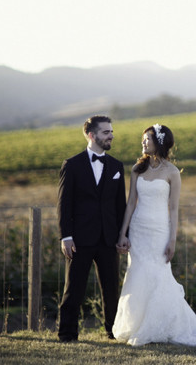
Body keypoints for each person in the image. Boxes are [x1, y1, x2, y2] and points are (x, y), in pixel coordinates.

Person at [112, 123, 196, 346]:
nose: (143, 143)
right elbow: (130, 203)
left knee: (159, 275)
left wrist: (172, 239)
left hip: (160, 231)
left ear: (159, 143)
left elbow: (174, 208)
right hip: (139, 230)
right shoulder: (137, 169)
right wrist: (123, 234)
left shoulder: (172, 172)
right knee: (137, 273)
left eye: (147, 139)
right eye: (143, 139)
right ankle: (138, 325)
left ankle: (162, 325)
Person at [57, 115, 126, 342]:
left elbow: (120, 206)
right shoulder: (72, 165)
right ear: (91, 135)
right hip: (80, 238)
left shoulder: (116, 166)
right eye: (106, 132)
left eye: (111, 131)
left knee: (111, 289)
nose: (111, 136)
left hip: (108, 238)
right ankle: (67, 334)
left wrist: (124, 235)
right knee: (74, 288)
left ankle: (112, 332)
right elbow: (64, 204)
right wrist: (66, 236)